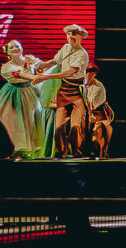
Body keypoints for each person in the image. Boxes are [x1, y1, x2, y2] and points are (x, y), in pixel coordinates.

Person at [32, 24, 90, 157]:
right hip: (64, 91)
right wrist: (37, 64)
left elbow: (69, 72)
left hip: (76, 92)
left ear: (81, 37)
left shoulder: (82, 54)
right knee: (58, 127)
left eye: (74, 34)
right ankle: (60, 154)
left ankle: (77, 153)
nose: (70, 36)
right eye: (68, 34)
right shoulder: (65, 48)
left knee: (75, 126)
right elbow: (54, 61)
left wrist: (45, 77)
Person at [0, 40, 44, 158]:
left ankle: (27, 151)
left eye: (17, 46)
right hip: (13, 94)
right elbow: (19, 75)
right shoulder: (7, 67)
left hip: (29, 92)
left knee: (30, 121)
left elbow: (44, 64)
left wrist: (58, 60)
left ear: (22, 48)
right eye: (11, 47)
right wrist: (36, 77)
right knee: (13, 121)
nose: (15, 48)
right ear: (7, 52)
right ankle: (13, 149)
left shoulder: (30, 60)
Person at [84, 63, 114, 159]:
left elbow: (92, 105)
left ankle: (101, 152)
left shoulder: (98, 86)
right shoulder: (81, 85)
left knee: (98, 131)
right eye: (85, 72)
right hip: (85, 113)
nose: (86, 74)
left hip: (98, 114)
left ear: (94, 74)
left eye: (89, 72)